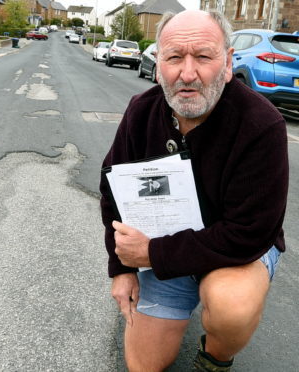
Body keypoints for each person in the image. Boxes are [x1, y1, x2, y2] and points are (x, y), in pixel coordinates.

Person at [99, 10, 289, 372]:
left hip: (233, 255)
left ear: (228, 62)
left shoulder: (261, 124)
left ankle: (217, 357)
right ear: (157, 66)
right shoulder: (141, 112)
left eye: (203, 56)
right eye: (174, 58)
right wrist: (120, 267)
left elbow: (249, 233)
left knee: (230, 306)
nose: (188, 74)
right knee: (144, 365)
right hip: (165, 246)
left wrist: (152, 252)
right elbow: (113, 190)